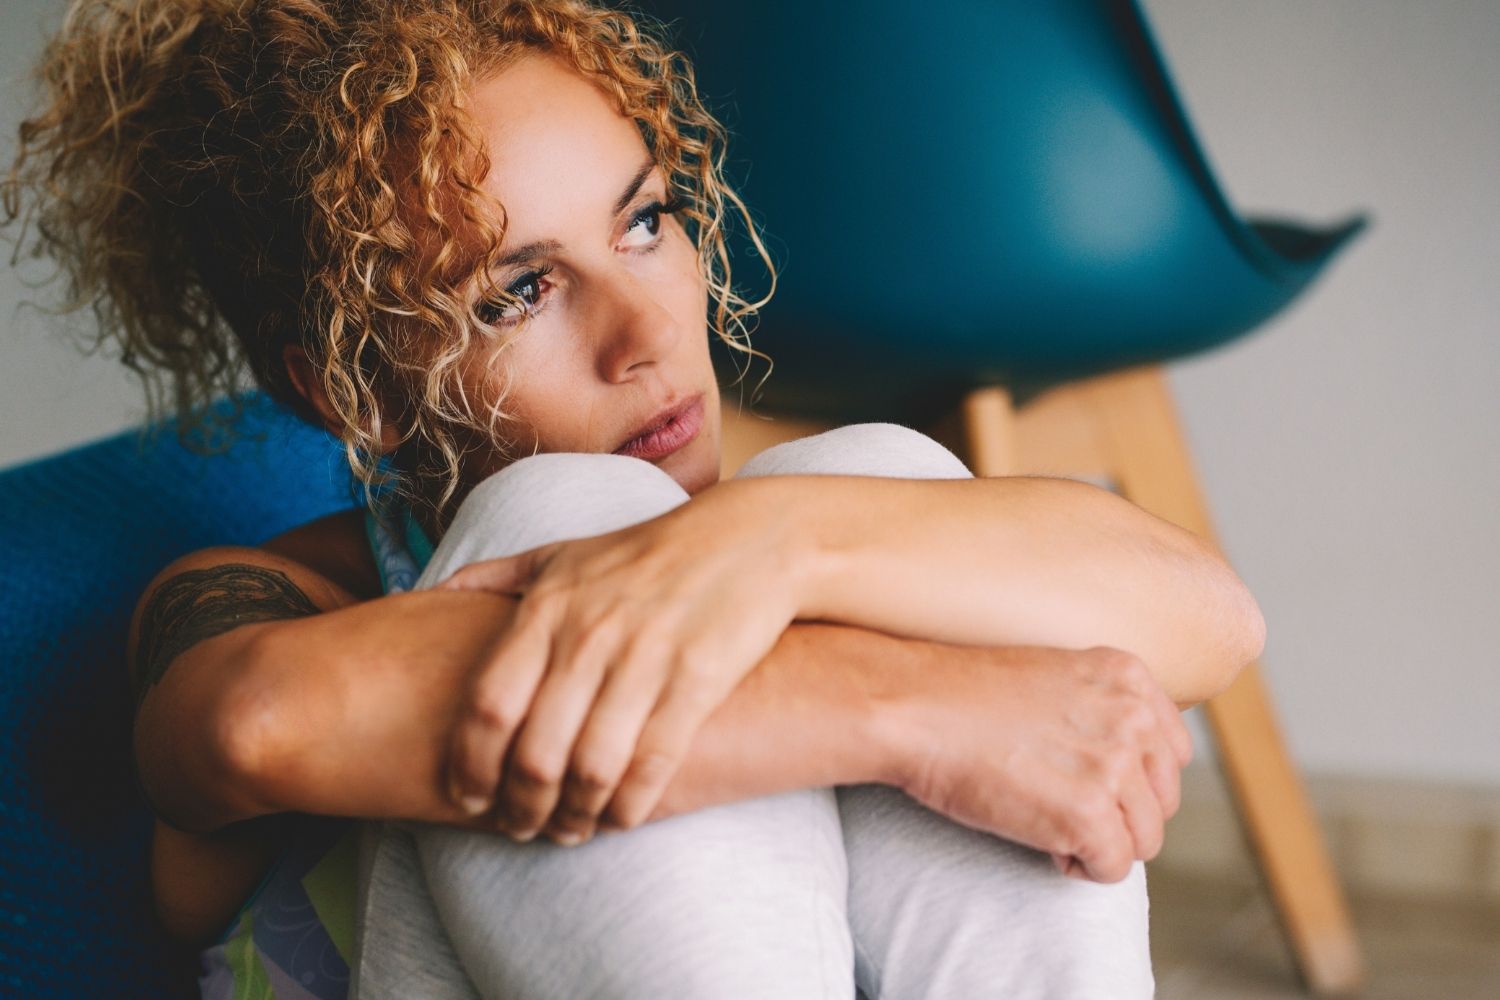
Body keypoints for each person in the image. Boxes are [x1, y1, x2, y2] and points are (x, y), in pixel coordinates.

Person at [3, 1, 1265, 997]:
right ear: (357, 396)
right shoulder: (281, 596)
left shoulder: (798, 504)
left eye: (647, 222)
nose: (645, 333)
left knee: (862, 474)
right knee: (563, 518)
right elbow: (255, 723)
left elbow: (1208, 617)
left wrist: (773, 540)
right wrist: (924, 708)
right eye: (518, 291)